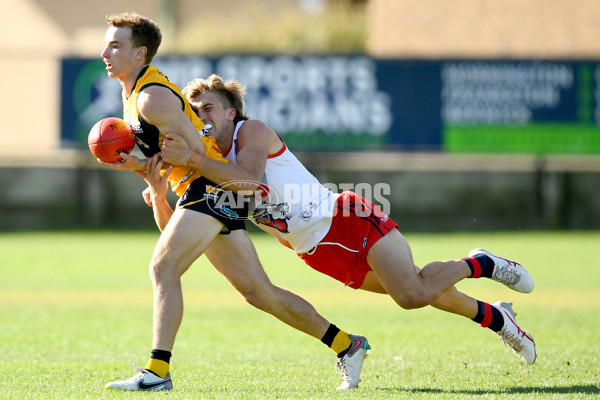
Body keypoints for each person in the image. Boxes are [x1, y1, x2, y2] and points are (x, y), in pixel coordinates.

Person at [157, 74, 537, 372]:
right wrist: (158, 190)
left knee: (411, 295)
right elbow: (188, 233)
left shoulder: (250, 131)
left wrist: (192, 160)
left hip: (346, 220)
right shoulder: (208, 165)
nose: (201, 116)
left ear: (229, 113)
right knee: (422, 288)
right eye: (195, 111)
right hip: (318, 251)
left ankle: (484, 263)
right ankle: (498, 318)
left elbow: (252, 181)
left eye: (208, 107)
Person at [98, 12, 370, 392]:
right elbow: (176, 160)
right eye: (107, 44)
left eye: (115, 45)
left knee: (162, 268)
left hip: (210, 187)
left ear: (140, 53)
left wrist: (165, 172)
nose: (104, 52)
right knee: (259, 292)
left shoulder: (150, 98)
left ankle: (158, 372)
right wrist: (142, 167)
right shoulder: (134, 95)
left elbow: (195, 152)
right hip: (204, 189)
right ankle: (347, 344)